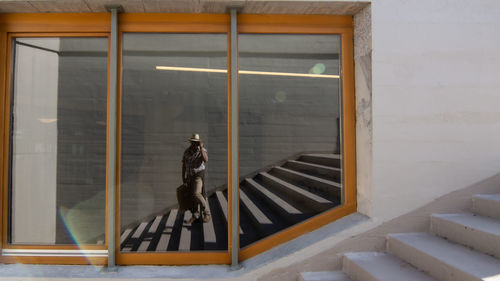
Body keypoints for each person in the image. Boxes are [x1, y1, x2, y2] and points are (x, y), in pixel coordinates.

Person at [182, 133, 210, 224]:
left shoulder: (202, 150)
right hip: (190, 176)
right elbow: (184, 165)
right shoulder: (186, 151)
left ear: (199, 143)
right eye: (193, 142)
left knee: (196, 193)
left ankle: (206, 212)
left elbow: (206, 160)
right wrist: (183, 177)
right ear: (190, 142)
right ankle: (195, 215)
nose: (194, 144)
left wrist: (201, 148)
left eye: (196, 142)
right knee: (191, 197)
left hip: (198, 175)